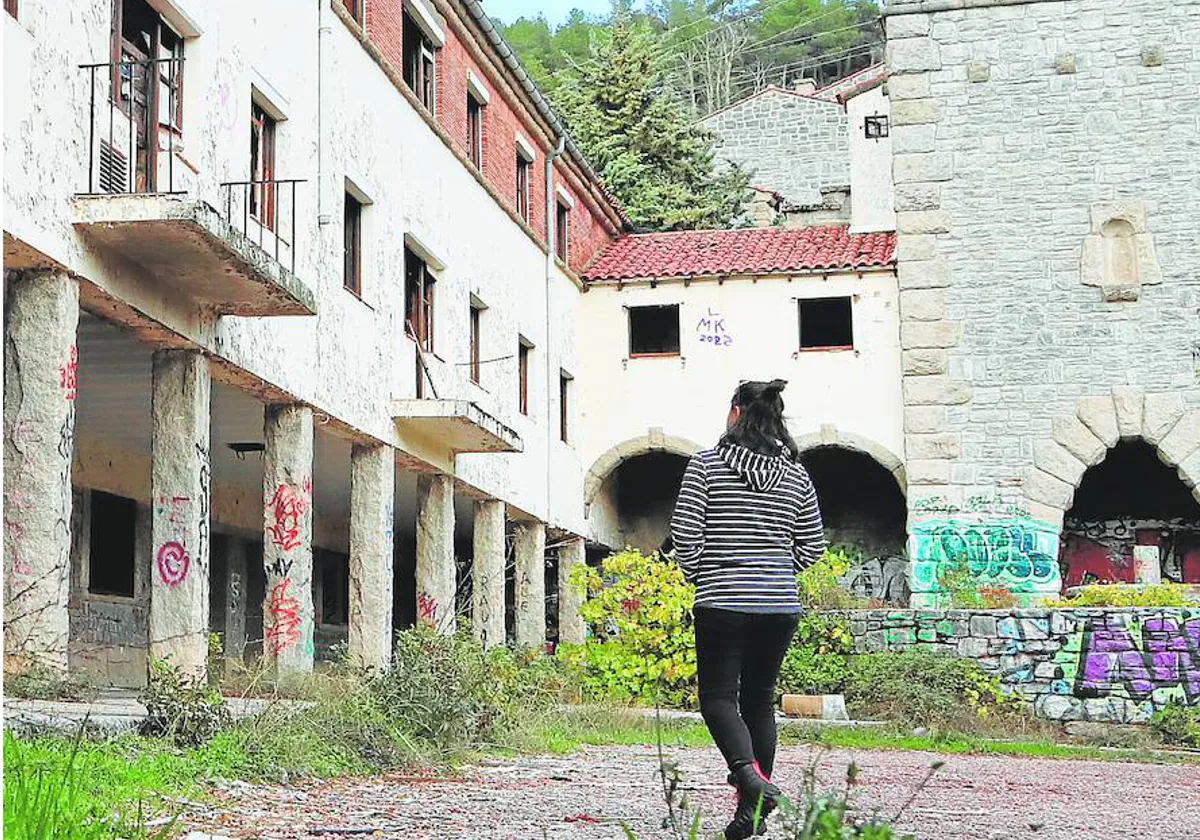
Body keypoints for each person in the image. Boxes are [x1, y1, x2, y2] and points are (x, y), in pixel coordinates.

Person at [669, 380, 826, 839]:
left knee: (717, 698)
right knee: (759, 701)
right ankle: (750, 816)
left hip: (722, 601)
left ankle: (749, 776)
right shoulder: (796, 475)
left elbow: (684, 535)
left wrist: (707, 572)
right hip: (779, 605)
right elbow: (812, 545)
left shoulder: (706, 465)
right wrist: (777, 571)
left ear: (736, 412)